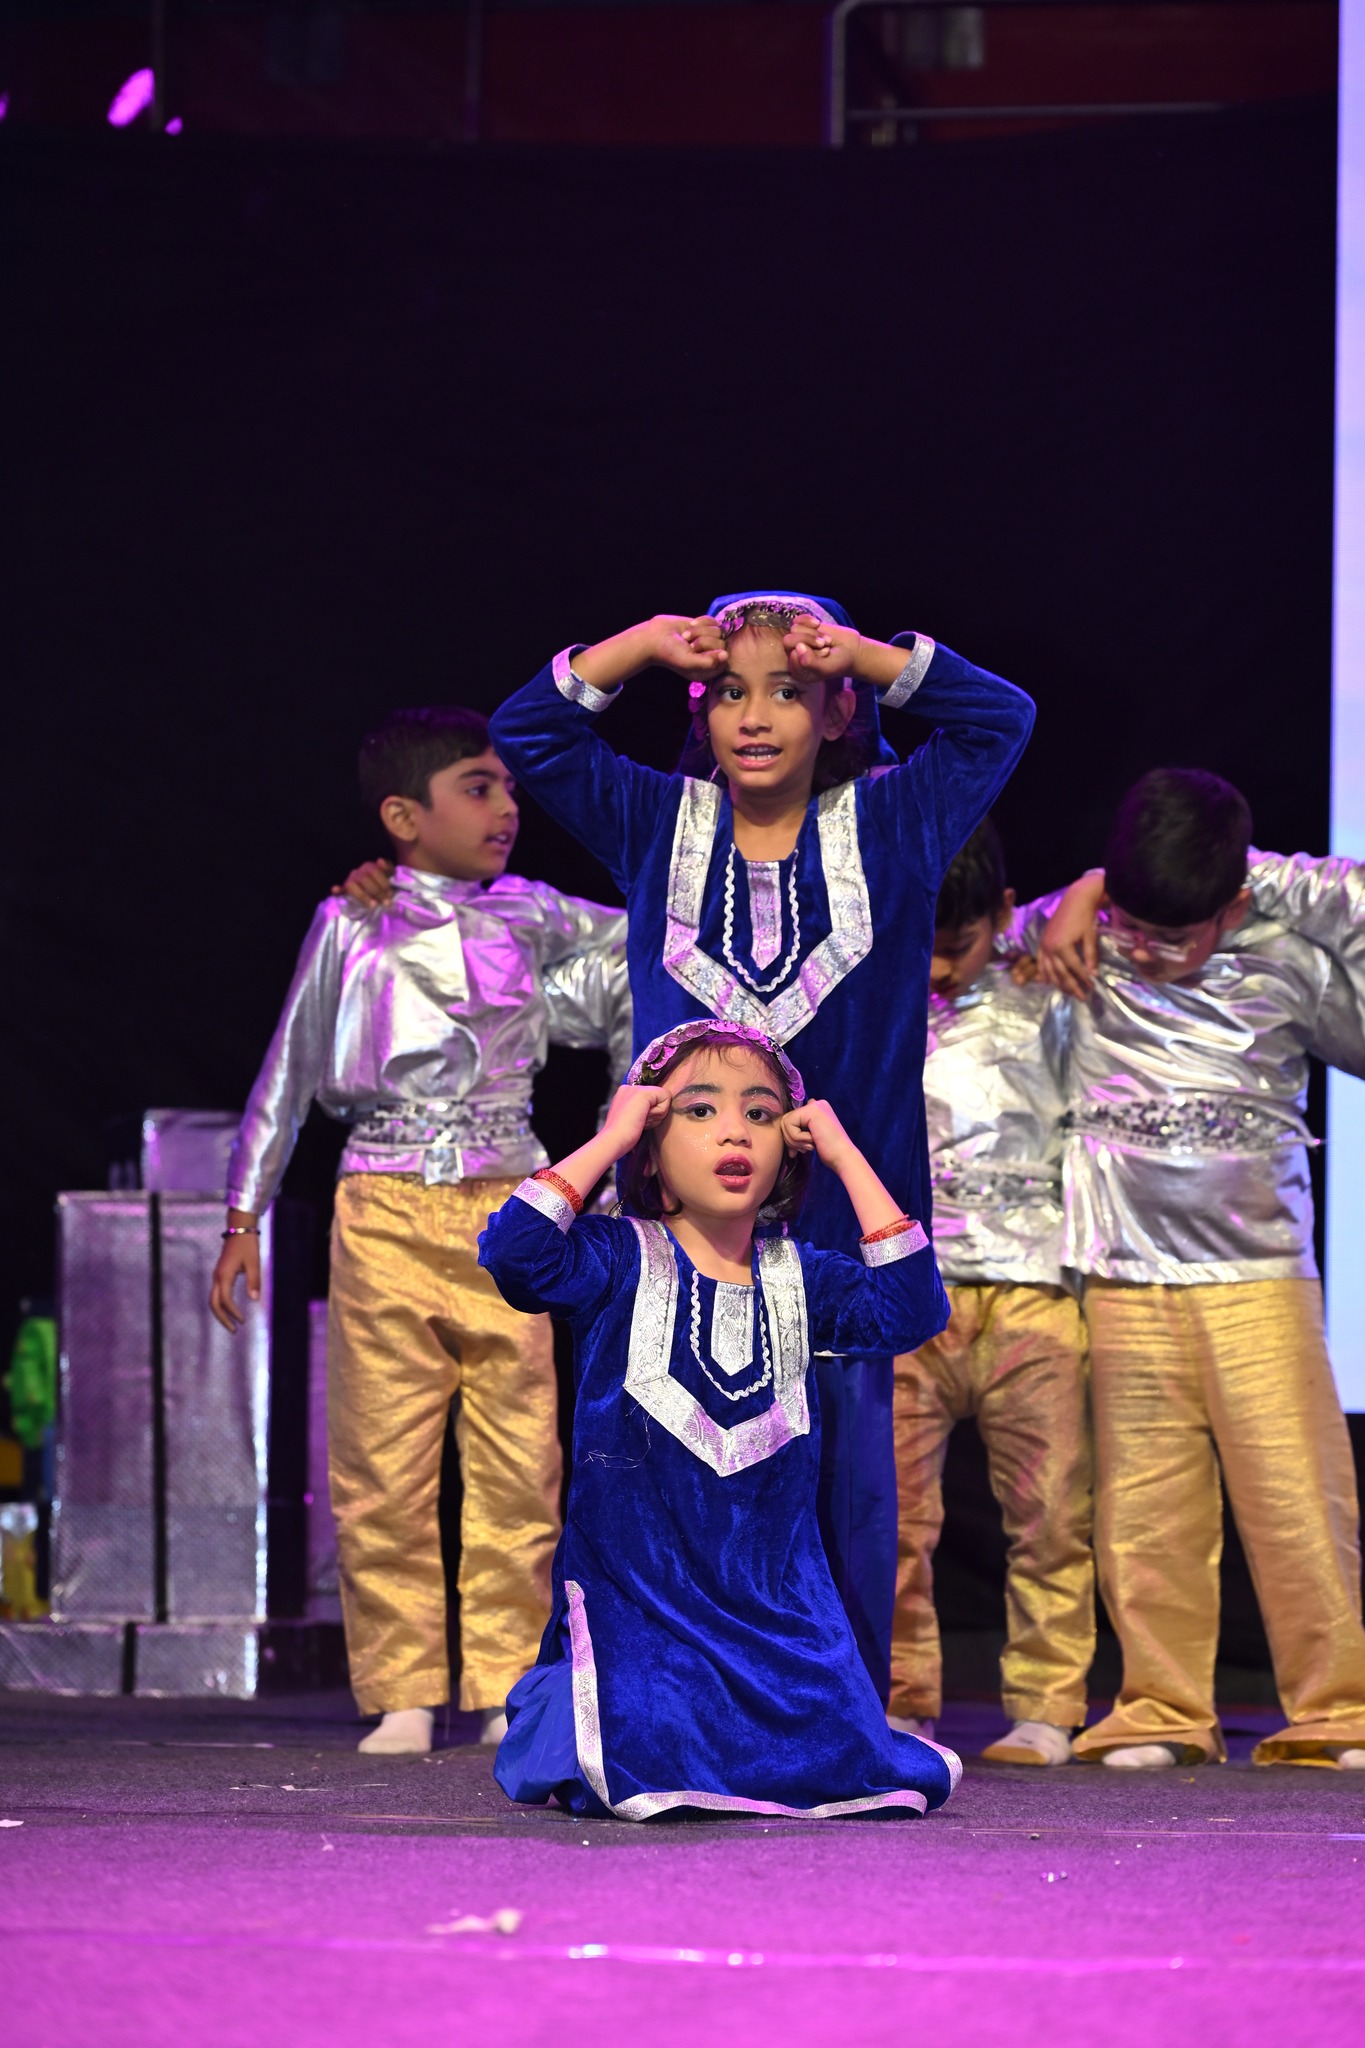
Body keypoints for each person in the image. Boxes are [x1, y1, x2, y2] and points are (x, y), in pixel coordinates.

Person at [486, 592, 1034, 1707]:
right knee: (667, 1483)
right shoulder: (658, 823)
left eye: (788, 690)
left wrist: (869, 657)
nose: (754, 716)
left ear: (835, 712)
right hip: (679, 1246)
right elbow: (528, 733)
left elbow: (1001, 720)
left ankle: (837, 1723)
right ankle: (667, 1709)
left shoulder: (896, 822)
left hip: (830, 1241)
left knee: (841, 1490)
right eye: (728, 691)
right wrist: (640, 646)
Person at [209, 707, 630, 1755]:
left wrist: (614, 1151)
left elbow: (647, 953)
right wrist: (243, 1211)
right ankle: (401, 1685)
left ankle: (503, 1684)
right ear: (404, 816)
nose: (506, 807)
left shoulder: (533, 911)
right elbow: (289, 1067)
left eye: (508, 788)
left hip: (510, 1203)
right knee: (382, 1457)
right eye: (478, 788)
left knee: (520, 1459)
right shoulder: (352, 919)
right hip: (386, 1203)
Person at [478, 1018, 960, 1819]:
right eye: (699, 1111)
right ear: (651, 1147)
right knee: (645, 1730)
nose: (734, 1131)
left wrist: (844, 1154)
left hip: (780, 1621)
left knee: (845, 1748)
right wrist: (611, 1137)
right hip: (642, 1613)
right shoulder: (613, 1258)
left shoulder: (800, 1276)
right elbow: (514, 1254)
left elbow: (910, 1311)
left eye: (760, 1114)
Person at [1032, 767, 1365, 1769]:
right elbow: (964, 941)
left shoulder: (1287, 957)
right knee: (1144, 1505)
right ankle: (1161, 1707)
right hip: (1123, 1267)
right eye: (1135, 926)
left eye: (1175, 935)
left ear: (1232, 902)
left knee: (1296, 1497)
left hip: (1256, 1271)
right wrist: (1087, 895)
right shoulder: (1082, 940)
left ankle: (1338, 1707)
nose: (1148, 950)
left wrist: (1261, 882)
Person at [890, 819, 1093, 1765]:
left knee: (1050, 1516)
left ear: (1004, 914)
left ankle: (1047, 1704)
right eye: (924, 945)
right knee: (893, 1518)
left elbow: (1114, 900)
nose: (939, 968)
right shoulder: (877, 994)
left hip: (1028, 1292)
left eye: (958, 945)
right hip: (909, 1292)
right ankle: (899, 1700)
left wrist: (1084, 890)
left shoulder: (1048, 985)